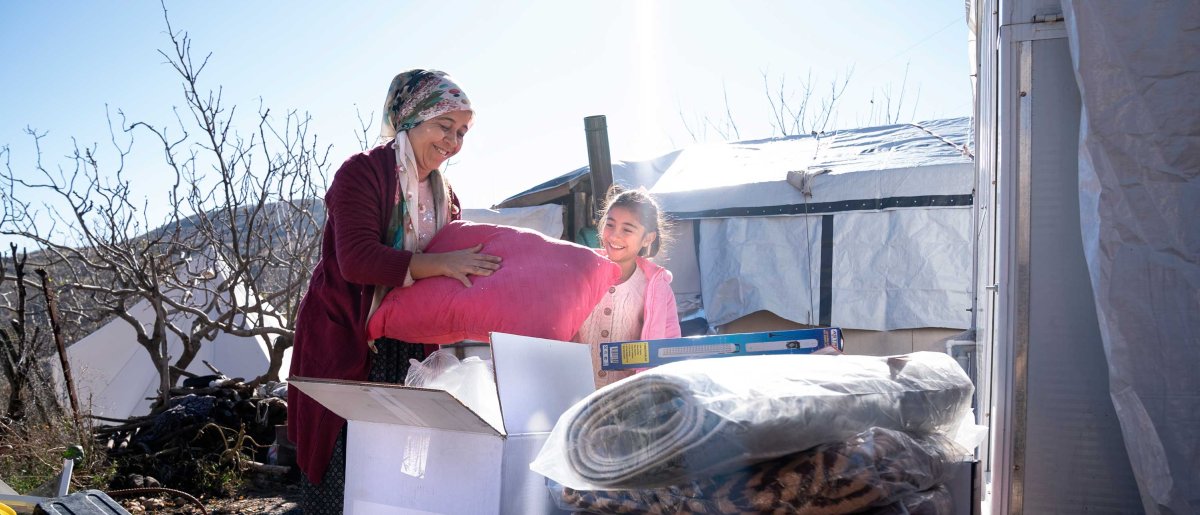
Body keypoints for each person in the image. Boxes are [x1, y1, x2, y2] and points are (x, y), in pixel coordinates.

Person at [286, 69, 501, 513]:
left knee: (401, 461)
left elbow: (449, 275)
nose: (453, 142)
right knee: (344, 455)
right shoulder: (363, 172)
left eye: (461, 132)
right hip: (349, 333)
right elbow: (358, 259)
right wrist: (442, 264)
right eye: (444, 126)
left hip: (408, 341)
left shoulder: (446, 196)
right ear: (412, 116)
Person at [575, 186, 681, 389]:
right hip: (574, 399)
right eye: (610, 225)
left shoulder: (657, 289)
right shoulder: (578, 273)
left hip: (627, 400)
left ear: (648, 237)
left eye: (627, 229)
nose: (614, 236)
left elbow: (669, 349)